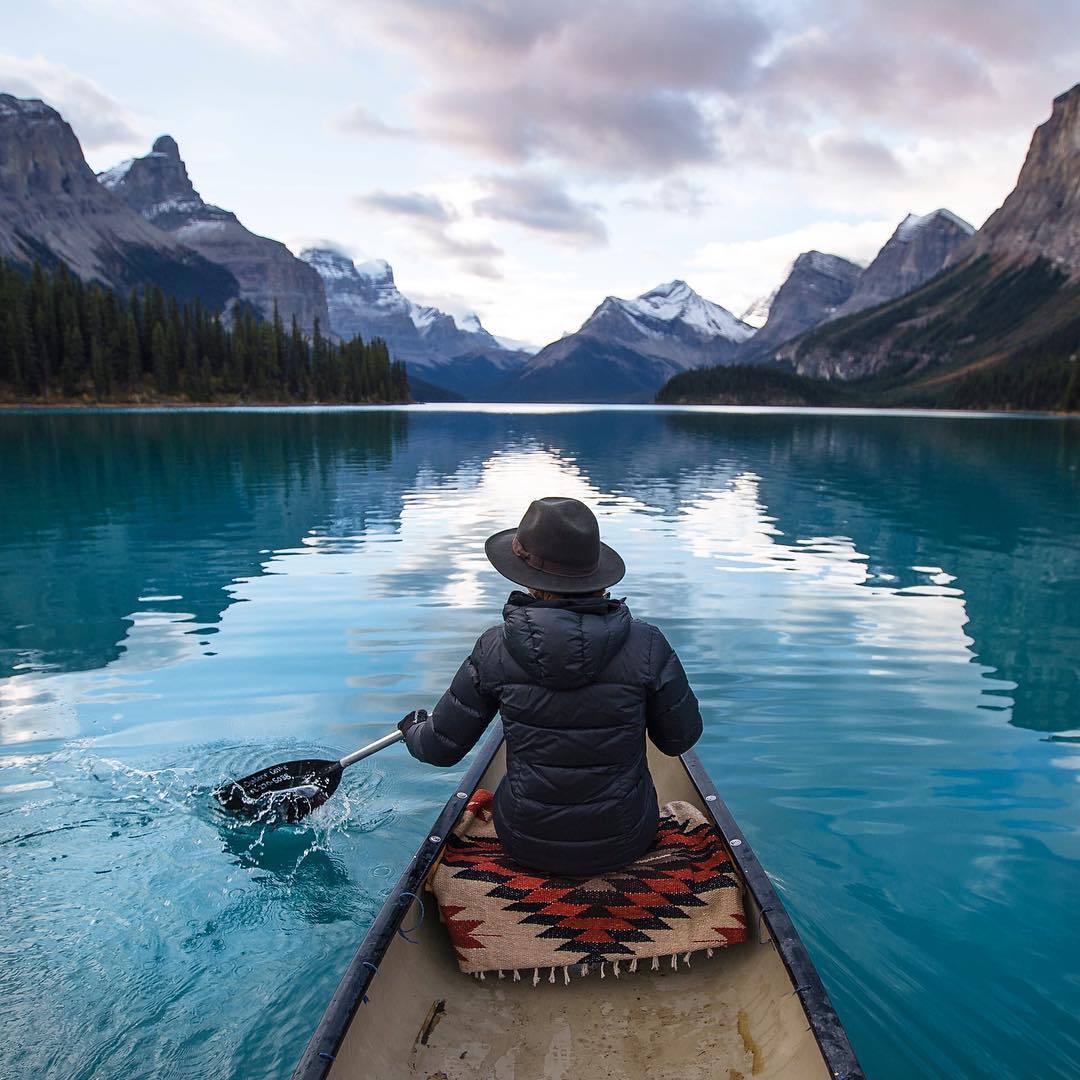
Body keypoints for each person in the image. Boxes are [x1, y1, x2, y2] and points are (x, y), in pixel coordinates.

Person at [399, 496, 702, 876]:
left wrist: (412, 729)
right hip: (627, 838)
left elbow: (439, 748)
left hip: (525, 842)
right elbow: (679, 740)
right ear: (595, 575)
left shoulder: (494, 647)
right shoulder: (648, 644)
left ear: (528, 579)